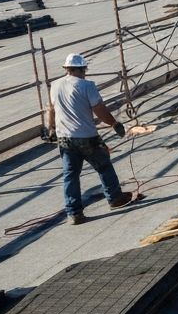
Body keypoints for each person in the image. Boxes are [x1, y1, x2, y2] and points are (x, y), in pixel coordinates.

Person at [46, 53, 134, 225]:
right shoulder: (87, 86)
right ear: (82, 69)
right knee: (103, 165)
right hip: (86, 137)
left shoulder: (55, 85)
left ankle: (74, 213)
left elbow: (51, 110)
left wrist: (50, 129)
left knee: (70, 175)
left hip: (64, 139)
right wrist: (114, 123)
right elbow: (99, 109)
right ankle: (115, 198)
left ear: (67, 69)